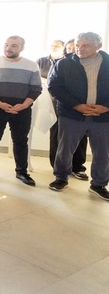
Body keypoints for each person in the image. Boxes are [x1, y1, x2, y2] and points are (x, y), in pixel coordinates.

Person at [48, 32, 109, 200]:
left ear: (98, 46)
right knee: (65, 149)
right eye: (78, 45)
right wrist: (77, 105)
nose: (80, 49)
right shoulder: (64, 64)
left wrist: (105, 107)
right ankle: (61, 178)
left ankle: (98, 184)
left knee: (103, 152)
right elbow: (54, 87)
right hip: (71, 114)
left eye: (86, 45)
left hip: (103, 117)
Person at [0, 36, 42, 186]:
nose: (8, 48)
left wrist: (23, 105)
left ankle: (22, 172)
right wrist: (0, 103)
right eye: (6, 45)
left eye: (14, 46)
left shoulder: (31, 65)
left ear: (22, 48)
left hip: (21, 110)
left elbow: (36, 88)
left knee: (20, 141)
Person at [41, 39, 88, 180]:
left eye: (75, 48)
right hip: (59, 104)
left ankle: (78, 167)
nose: (73, 51)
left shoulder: (86, 65)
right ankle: (59, 168)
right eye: (69, 49)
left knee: (81, 137)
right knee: (57, 135)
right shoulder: (60, 64)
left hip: (82, 106)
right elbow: (53, 86)